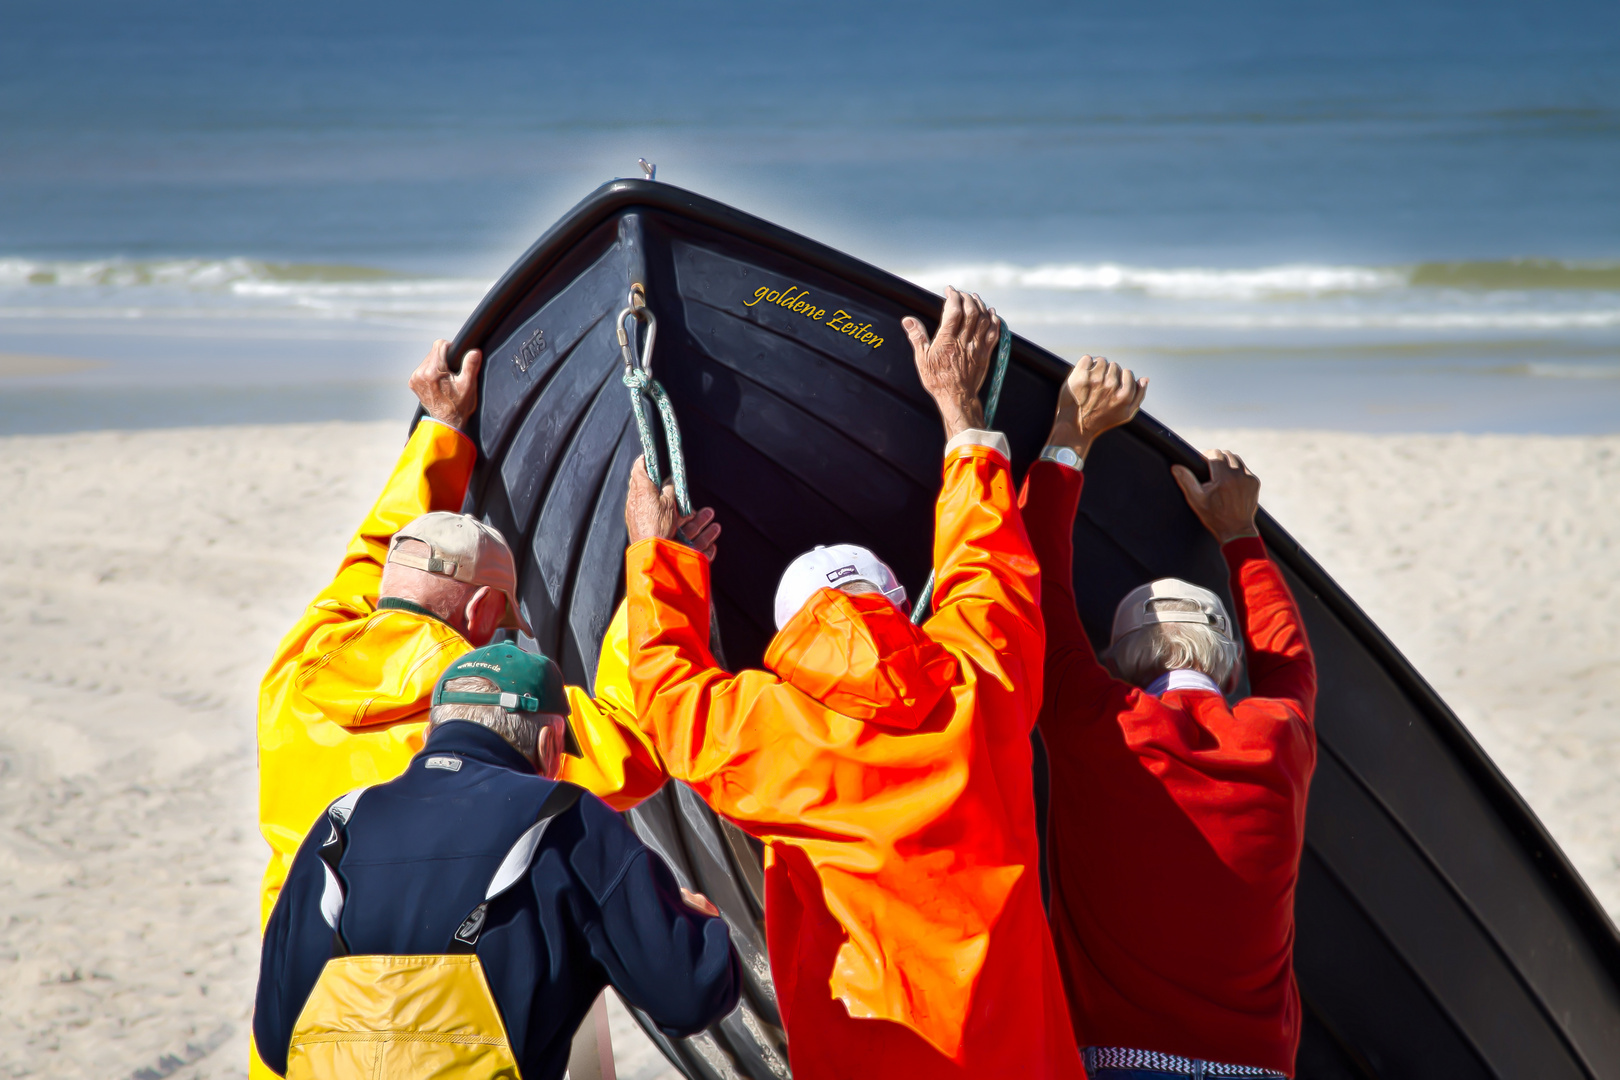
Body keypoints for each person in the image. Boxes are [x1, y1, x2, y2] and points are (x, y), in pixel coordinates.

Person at [619, 288, 1084, 1079]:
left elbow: (664, 693)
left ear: (786, 635)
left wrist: (660, 556)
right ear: (904, 607)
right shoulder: (979, 681)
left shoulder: (771, 731)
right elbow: (990, 567)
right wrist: (959, 411)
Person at [254, 340, 711, 1077]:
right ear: (480, 608)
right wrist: (657, 568)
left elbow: (374, 557)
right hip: (452, 1045)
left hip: (308, 1032)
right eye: (504, 623)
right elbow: (632, 744)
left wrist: (443, 434)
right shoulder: (473, 701)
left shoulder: (296, 667)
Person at [1020, 356, 1317, 1079]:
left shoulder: (1098, 720)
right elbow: (1289, 662)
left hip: (1120, 1063)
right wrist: (1240, 535)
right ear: (1228, 666)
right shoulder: (1276, 736)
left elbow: (1033, 583)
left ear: (1118, 663)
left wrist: (1072, 436)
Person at [254, 643, 741, 1080]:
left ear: (432, 728)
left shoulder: (340, 822)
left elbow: (278, 1043)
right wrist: (698, 923)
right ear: (550, 744)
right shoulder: (566, 817)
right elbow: (687, 996)